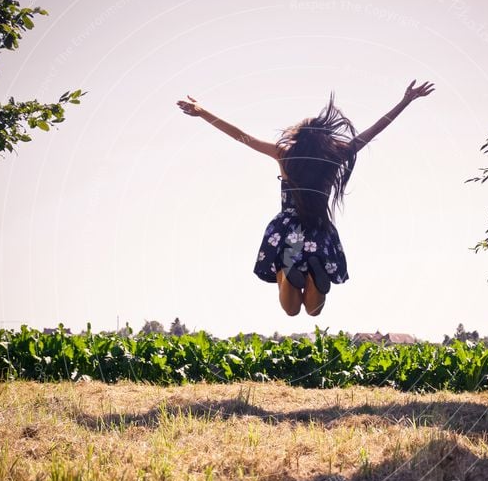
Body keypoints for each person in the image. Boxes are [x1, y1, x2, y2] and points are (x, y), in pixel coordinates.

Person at [176, 79, 435, 316]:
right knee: (314, 310)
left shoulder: (284, 154)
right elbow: (373, 130)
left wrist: (203, 112)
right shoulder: (336, 156)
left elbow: (242, 136)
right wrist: (405, 101)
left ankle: (290, 275)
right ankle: (312, 276)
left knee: (291, 310)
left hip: (287, 230)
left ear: (299, 136)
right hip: (319, 231)